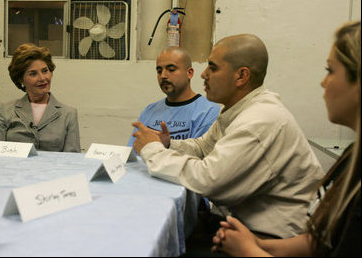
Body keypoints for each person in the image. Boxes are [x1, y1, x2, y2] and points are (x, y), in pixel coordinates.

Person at [132, 34, 324, 241]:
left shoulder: (258, 121)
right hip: (239, 222)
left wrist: (153, 150)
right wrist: (168, 144)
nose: (204, 74)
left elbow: (208, 180)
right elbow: (202, 147)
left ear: (241, 76)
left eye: (213, 68)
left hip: (270, 238)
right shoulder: (240, 110)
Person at [212, 21, 361, 257]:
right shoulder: (353, 156)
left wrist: (248, 250)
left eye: (330, 71)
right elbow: (318, 243)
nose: (323, 82)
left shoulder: (262, 117)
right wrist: (257, 244)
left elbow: (211, 181)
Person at [0, 43, 81, 152]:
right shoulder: (5, 110)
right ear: (21, 80)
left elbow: (72, 159)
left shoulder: (68, 114)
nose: (42, 78)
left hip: (53, 169)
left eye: (45, 71)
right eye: (33, 74)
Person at [128, 46, 220, 146]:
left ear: (189, 73)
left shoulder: (208, 112)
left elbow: (199, 156)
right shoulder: (149, 111)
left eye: (171, 69)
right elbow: (133, 154)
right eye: (159, 71)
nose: (163, 75)